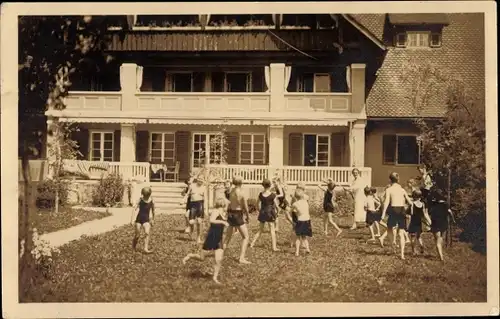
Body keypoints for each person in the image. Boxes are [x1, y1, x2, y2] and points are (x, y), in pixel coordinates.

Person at [182, 197, 229, 285]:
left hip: (219, 238)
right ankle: (190, 256)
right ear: (222, 205)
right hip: (212, 237)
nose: (226, 206)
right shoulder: (215, 211)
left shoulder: (223, 213)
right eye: (225, 205)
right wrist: (223, 222)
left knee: (218, 259)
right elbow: (211, 220)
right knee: (201, 258)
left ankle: (215, 277)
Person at [379, 172, 413, 260]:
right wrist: (408, 208)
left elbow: (386, 202)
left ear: (390, 180)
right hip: (401, 210)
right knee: (401, 233)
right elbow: (410, 202)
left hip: (393, 210)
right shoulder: (402, 190)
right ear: (398, 180)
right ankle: (402, 254)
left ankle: (392, 243)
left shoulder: (389, 189)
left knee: (390, 229)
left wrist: (383, 214)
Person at [223, 175, 252, 264]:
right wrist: (247, 216)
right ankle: (241, 258)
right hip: (237, 214)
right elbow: (246, 207)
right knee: (246, 237)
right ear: (241, 183)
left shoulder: (231, 191)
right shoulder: (242, 193)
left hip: (231, 213)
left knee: (228, 236)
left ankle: (220, 254)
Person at [250, 179, 279, 251]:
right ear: (270, 185)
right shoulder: (273, 195)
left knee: (260, 230)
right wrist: (277, 212)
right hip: (270, 213)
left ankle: (252, 243)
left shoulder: (260, 194)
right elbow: (277, 206)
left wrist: (260, 210)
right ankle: (274, 247)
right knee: (272, 230)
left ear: (263, 185)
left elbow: (257, 204)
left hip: (263, 212)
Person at [429, 189, 454, 262]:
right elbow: (450, 212)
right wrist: (453, 219)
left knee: (437, 240)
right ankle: (440, 256)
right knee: (440, 239)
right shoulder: (445, 204)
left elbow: (430, 212)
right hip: (443, 223)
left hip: (435, 223)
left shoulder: (433, 204)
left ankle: (441, 257)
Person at [130, 187, 155, 253]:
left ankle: (145, 248)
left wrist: (153, 219)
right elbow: (134, 209)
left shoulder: (152, 200)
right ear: (142, 194)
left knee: (147, 233)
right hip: (139, 219)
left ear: (149, 195)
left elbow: (153, 210)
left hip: (146, 219)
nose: (145, 197)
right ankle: (133, 247)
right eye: (144, 196)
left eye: (147, 196)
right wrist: (132, 219)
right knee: (137, 235)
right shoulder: (140, 200)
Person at [407, 189, 430, 256]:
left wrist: (408, 225)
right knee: (419, 236)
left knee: (412, 237)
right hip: (419, 222)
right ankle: (421, 246)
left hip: (413, 222)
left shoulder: (412, 204)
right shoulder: (422, 204)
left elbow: (410, 214)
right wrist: (429, 222)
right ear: (420, 196)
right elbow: (424, 214)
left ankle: (414, 251)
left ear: (413, 196)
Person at [291, 189, 312, 256]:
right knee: (304, 237)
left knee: (298, 237)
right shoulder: (306, 202)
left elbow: (292, 211)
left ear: (295, 197)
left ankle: (297, 252)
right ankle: (308, 249)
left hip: (300, 221)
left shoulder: (295, 204)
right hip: (307, 221)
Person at [187, 177, 207, 244]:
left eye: (202, 181)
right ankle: (191, 230)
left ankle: (198, 238)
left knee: (199, 222)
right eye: (199, 180)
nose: (200, 182)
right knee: (191, 222)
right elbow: (187, 194)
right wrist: (183, 200)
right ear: (197, 180)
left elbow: (206, 199)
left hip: (200, 204)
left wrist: (206, 209)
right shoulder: (192, 186)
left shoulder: (204, 188)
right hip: (193, 204)